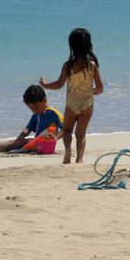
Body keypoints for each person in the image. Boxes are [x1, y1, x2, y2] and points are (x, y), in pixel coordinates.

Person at [39, 27, 104, 164]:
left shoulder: (68, 66)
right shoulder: (92, 65)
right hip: (87, 104)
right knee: (81, 134)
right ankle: (79, 159)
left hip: (72, 104)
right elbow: (100, 88)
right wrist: (95, 91)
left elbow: (59, 84)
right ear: (88, 44)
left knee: (67, 130)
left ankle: (68, 150)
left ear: (72, 45)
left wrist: (45, 85)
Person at [0, 84, 63, 154]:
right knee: (17, 142)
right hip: (37, 144)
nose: (34, 110)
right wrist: (21, 136)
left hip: (45, 146)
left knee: (12, 144)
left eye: (37, 106)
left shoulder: (53, 113)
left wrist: (55, 138)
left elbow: (66, 128)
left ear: (44, 100)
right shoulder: (36, 115)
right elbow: (28, 128)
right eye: (31, 108)